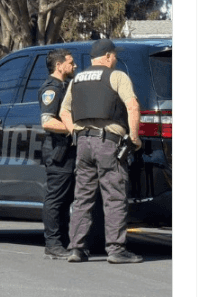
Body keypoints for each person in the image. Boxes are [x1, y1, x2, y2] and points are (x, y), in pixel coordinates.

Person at [60, 39, 143, 264]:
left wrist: (76, 133)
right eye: (114, 55)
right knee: (114, 197)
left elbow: (64, 111)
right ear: (107, 56)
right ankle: (116, 250)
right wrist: (134, 137)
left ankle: (76, 248)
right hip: (108, 143)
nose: (115, 59)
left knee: (82, 198)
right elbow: (133, 106)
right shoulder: (117, 76)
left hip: (83, 144)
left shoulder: (77, 79)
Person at [38, 48, 77, 260]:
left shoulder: (65, 86)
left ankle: (63, 241)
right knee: (55, 199)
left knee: (65, 199)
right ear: (59, 65)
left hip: (69, 151)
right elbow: (48, 121)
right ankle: (52, 243)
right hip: (58, 151)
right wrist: (74, 129)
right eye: (70, 62)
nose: (74, 66)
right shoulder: (51, 88)